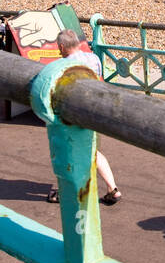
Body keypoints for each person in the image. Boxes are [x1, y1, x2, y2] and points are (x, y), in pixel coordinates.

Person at [47, 30, 121, 205]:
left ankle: (67, 191)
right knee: (91, 150)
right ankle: (112, 188)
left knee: (68, 152)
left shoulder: (62, 65)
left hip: (73, 113)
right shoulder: (93, 58)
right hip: (94, 110)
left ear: (62, 47)